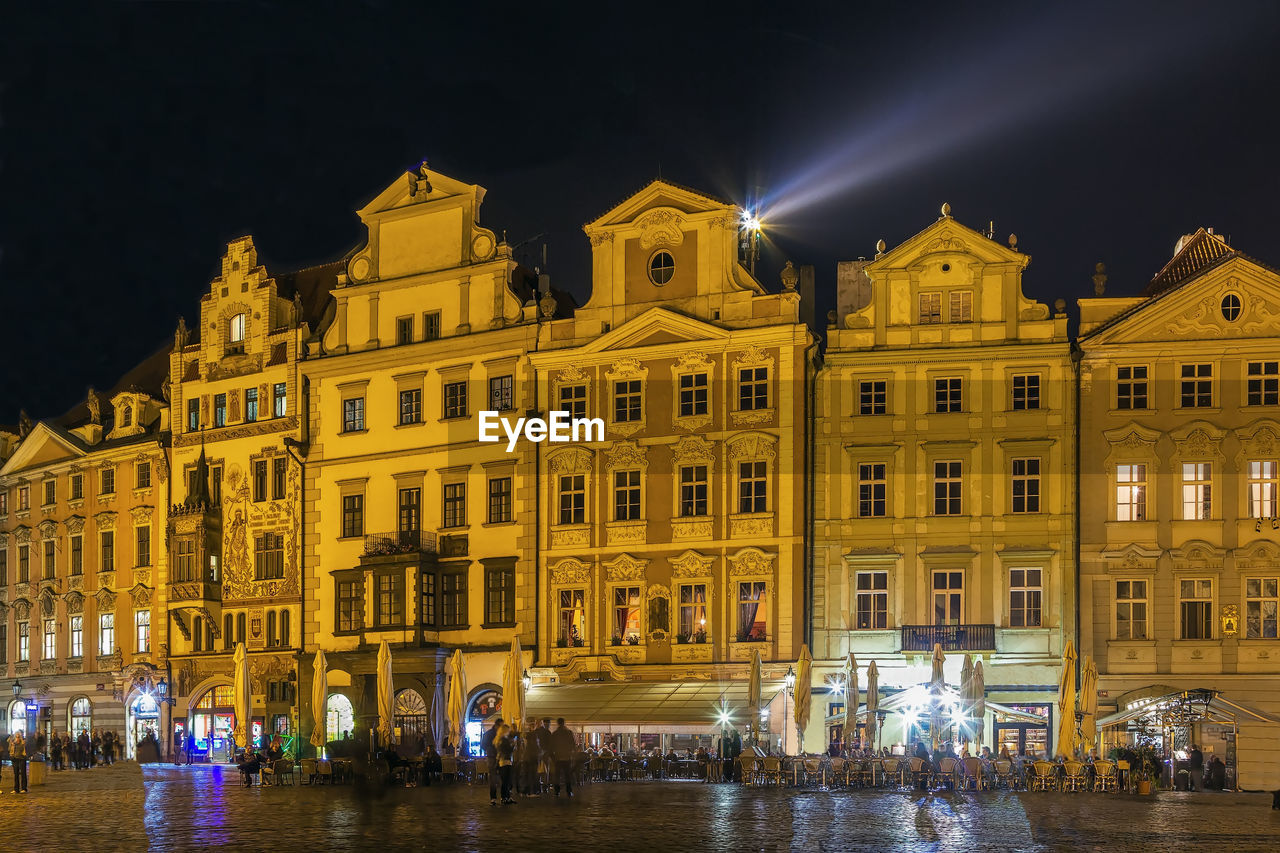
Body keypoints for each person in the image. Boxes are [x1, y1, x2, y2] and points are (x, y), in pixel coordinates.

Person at [550, 717, 577, 797]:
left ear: (558, 723)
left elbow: (551, 747)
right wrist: (572, 755)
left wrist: (553, 757)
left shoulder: (554, 734)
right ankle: (569, 791)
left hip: (557, 757)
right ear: (564, 723)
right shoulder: (568, 733)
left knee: (557, 775)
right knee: (567, 775)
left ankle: (557, 791)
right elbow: (573, 745)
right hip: (567, 757)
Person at [483, 716, 504, 806]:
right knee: (495, 777)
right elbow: (484, 745)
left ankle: (495, 798)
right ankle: (498, 797)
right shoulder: (493, 734)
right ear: (497, 725)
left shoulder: (489, 734)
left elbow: (483, 745)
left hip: (493, 756)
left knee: (495, 777)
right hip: (493, 757)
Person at [495, 724, 515, 804]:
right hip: (505, 761)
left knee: (506, 781)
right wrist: (513, 745)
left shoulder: (500, 740)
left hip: (503, 761)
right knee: (506, 781)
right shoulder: (503, 740)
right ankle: (504, 797)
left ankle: (506, 797)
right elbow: (507, 750)